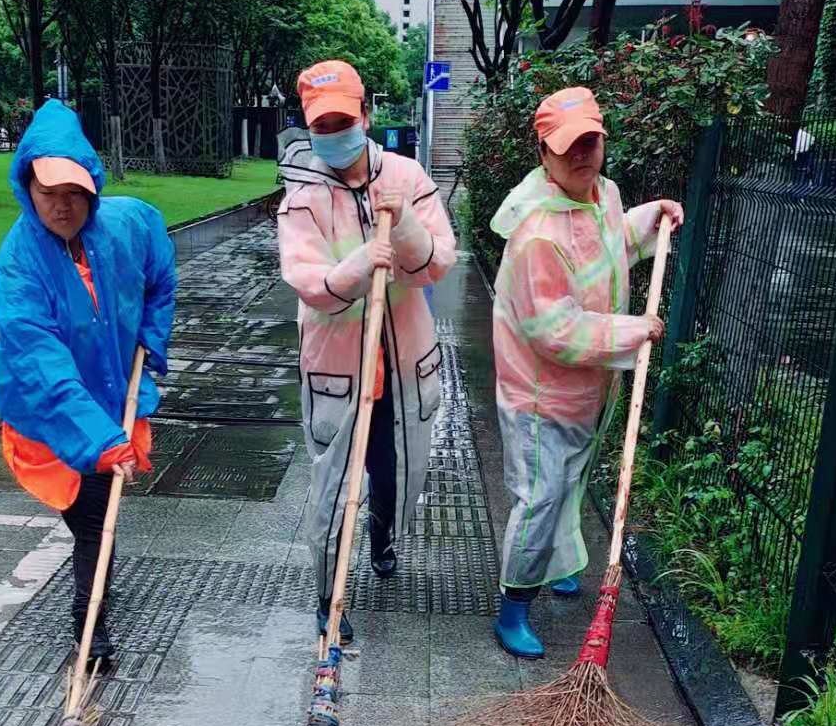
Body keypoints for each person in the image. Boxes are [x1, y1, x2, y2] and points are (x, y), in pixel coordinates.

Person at [489, 86, 684, 658]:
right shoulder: (536, 234)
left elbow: (613, 243)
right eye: (569, 145)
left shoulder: (605, 195)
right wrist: (633, 331)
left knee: (570, 484)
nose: (582, 154)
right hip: (539, 396)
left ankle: (560, 562)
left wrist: (654, 218)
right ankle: (513, 607)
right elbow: (555, 330)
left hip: (590, 389)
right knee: (540, 498)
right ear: (544, 153)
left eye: (591, 141)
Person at [0, 98, 176, 668]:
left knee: (98, 517)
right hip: (47, 413)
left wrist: (152, 332)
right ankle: (90, 623)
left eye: (74, 191)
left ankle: (89, 631)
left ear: (93, 187)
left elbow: (159, 274)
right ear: (28, 186)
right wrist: (98, 440)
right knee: (92, 516)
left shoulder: (124, 225)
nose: (63, 205)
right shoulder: (20, 263)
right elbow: (42, 363)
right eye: (49, 192)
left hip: (112, 395)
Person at [277, 60, 457, 641]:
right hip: (338, 370)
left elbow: (437, 263)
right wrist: (358, 267)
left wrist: (401, 224)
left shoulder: (407, 176)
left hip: (403, 365)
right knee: (334, 485)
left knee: (396, 469)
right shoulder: (303, 195)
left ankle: (384, 540)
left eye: (343, 120)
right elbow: (308, 280)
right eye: (322, 124)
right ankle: (329, 595)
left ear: (367, 114)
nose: (334, 133)